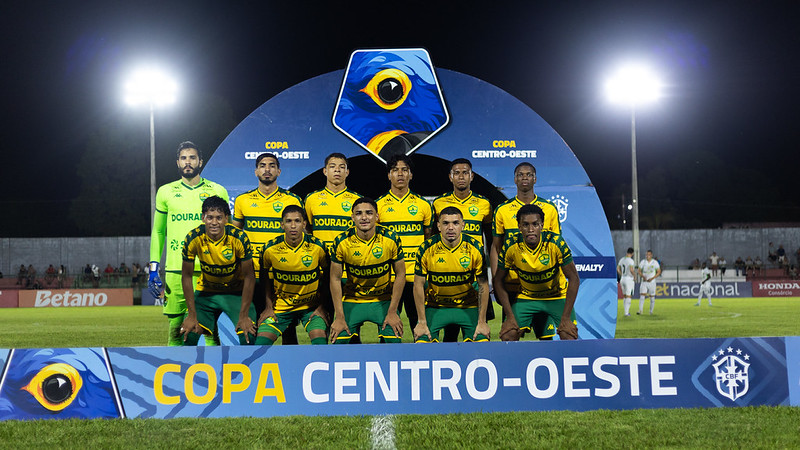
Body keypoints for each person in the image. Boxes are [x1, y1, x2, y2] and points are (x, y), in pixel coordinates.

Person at [148, 141, 229, 346]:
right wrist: (153, 268)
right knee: (175, 329)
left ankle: (215, 375)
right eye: (184, 158)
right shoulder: (165, 192)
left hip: (209, 269)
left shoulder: (217, 190)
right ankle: (175, 374)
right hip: (176, 269)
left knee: (209, 329)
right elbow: (158, 231)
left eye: (192, 157)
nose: (188, 162)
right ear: (177, 162)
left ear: (200, 161)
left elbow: (227, 232)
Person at [232, 152, 303, 345]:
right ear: (256, 171)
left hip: (283, 275)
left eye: (272, 165)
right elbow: (233, 236)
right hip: (252, 276)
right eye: (262, 165)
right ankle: (252, 368)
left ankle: (291, 371)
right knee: (250, 325)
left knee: (287, 329)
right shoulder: (242, 201)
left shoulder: (292, 200)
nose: (267, 169)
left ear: (279, 171)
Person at [491, 162, 563, 340]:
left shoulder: (549, 209)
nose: (525, 178)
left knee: (545, 336)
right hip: (513, 283)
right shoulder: (502, 210)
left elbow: (556, 246)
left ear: (535, 179)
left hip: (542, 285)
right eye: (521, 175)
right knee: (510, 333)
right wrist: (498, 277)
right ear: (515, 179)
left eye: (529, 174)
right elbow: (496, 247)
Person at [493, 204, 579, 341]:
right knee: (508, 335)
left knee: (569, 335)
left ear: (542, 225)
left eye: (535, 224)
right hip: (527, 297)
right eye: (525, 225)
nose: (531, 229)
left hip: (556, 296)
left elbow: (574, 278)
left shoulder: (556, 243)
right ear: (519, 227)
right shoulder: (511, 245)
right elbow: (498, 280)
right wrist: (509, 316)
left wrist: (566, 318)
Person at [179, 196, 257, 345]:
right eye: (210, 217)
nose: (214, 222)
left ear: (226, 219)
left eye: (219, 218)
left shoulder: (239, 237)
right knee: (188, 335)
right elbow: (186, 276)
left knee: (249, 336)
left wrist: (244, 315)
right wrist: (191, 314)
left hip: (235, 293)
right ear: (203, 218)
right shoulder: (193, 237)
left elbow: (249, 277)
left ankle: (243, 368)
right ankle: (196, 368)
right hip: (206, 293)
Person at [432, 157, 494, 341]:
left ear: (472, 176)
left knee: (478, 327)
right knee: (450, 331)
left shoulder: (484, 204)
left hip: (476, 272)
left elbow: (490, 240)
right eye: (457, 173)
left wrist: (491, 272)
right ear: (450, 177)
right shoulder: (438, 203)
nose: (461, 177)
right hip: (448, 270)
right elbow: (432, 240)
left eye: (465, 173)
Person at [329, 197, 405, 344]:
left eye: (369, 213)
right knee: (337, 344)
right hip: (353, 299)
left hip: (383, 300)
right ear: (352, 217)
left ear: (377, 216)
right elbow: (335, 279)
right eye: (359, 214)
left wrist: (392, 312)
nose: (364, 217)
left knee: (394, 344)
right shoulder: (341, 242)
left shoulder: (391, 238)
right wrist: (339, 317)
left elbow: (400, 274)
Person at [305, 153, 362, 340]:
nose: (337, 170)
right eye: (332, 166)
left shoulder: (357, 201)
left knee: (351, 326)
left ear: (348, 172)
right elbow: (308, 232)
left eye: (341, 167)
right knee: (321, 321)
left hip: (349, 273)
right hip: (320, 272)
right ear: (324, 171)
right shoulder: (311, 199)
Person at [413, 206, 491, 343]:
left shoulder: (475, 248)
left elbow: (483, 285)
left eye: (455, 223)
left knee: (481, 341)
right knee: (422, 341)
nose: (450, 227)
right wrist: (421, 322)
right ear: (438, 226)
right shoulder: (426, 248)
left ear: (463, 225)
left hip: (468, 306)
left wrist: (482, 321)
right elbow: (418, 285)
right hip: (436, 306)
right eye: (445, 223)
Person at [255, 205, 329, 345]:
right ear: (282, 225)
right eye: (288, 221)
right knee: (260, 343)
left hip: (310, 308)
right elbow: (264, 276)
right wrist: (268, 306)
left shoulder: (318, 247)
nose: (293, 226)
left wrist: (322, 306)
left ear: (304, 224)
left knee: (320, 343)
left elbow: (328, 276)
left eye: (297, 221)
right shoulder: (270, 249)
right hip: (281, 308)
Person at [376, 154, 433, 332]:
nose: (400, 174)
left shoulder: (423, 205)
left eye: (404, 170)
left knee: (422, 329)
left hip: (417, 278)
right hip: (389, 279)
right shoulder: (378, 205)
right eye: (395, 170)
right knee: (388, 331)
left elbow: (428, 239)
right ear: (388, 175)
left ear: (411, 175)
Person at [637, 250, 661, 315]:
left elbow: (659, 272)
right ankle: (640, 310)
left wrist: (652, 278)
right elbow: (639, 271)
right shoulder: (643, 262)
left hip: (652, 282)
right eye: (646, 255)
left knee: (652, 297)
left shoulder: (655, 262)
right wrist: (643, 276)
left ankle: (651, 311)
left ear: (651, 255)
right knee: (642, 295)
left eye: (649, 255)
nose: (647, 256)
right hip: (644, 282)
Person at [617, 247, 636, 316]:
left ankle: (626, 312)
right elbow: (631, 269)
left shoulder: (622, 259)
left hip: (622, 279)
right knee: (628, 296)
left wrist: (621, 274)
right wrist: (634, 275)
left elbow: (618, 269)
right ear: (632, 253)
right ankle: (626, 313)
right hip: (628, 279)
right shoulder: (631, 261)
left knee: (625, 296)